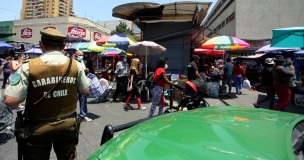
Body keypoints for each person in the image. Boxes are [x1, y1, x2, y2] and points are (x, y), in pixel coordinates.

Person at [4, 28, 90, 159]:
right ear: (63, 47)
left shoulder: (28, 66)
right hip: (67, 124)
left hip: (38, 128)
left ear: (41, 44)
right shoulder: (75, 65)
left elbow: (10, 100)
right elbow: (85, 90)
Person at [75, 50, 92, 122]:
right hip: (75, 85)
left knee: (83, 101)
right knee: (73, 101)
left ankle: (83, 115)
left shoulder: (82, 62)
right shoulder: (73, 62)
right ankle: (71, 116)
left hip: (83, 85)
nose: (81, 56)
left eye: (82, 55)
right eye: (80, 55)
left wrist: (86, 70)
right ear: (76, 55)